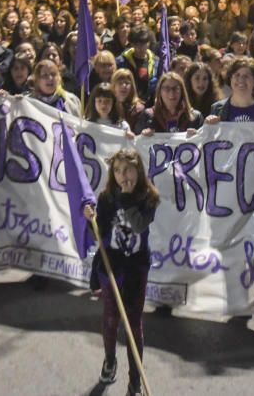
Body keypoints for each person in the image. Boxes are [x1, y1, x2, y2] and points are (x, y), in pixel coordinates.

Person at [84, 148, 159, 396]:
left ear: (138, 170)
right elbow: (100, 233)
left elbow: (138, 225)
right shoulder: (106, 198)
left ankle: (134, 378)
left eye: (127, 169)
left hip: (136, 267)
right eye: (117, 171)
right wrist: (91, 219)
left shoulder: (149, 197)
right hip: (112, 264)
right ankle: (109, 360)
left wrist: (127, 198)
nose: (122, 175)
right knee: (110, 318)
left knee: (133, 323)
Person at [206, 57, 254, 123]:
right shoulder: (217, 108)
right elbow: (211, 136)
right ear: (230, 79)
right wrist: (208, 124)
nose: (241, 79)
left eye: (246, 76)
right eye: (237, 75)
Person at [135, 72, 203, 135]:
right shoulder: (148, 116)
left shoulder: (195, 117)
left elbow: (205, 144)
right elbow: (136, 143)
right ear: (159, 92)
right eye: (166, 88)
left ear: (182, 91)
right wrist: (143, 136)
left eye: (176, 88)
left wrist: (198, 136)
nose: (171, 93)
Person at [116, 26, 160, 106]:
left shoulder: (156, 61)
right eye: (137, 44)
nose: (141, 48)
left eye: (144, 44)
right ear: (132, 44)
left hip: (150, 104)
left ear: (149, 43)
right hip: (127, 104)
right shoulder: (121, 61)